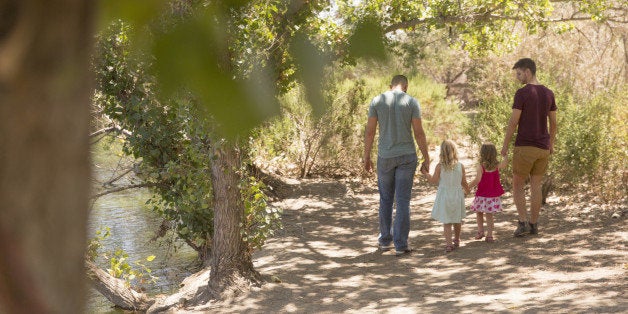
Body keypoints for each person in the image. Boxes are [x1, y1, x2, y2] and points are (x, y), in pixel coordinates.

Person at [363, 74, 430, 256]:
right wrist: (426, 157)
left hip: (385, 156)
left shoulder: (377, 101)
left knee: (385, 198)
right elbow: (419, 133)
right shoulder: (412, 102)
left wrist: (366, 156)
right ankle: (401, 244)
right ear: (406, 86)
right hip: (407, 156)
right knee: (402, 200)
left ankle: (385, 241)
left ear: (390, 85)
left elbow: (370, 132)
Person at [501, 58, 558, 237]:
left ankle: (523, 222)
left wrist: (504, 146)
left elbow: (513, 122)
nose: (518, 78)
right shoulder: (549, 93)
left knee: (517, 184)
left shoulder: (522, 93)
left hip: (525, 146)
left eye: (519, 73)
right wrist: (551, 144)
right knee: (536, 185)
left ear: (527, 71)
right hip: (543, 148)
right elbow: (554, 123)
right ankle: (534, 225)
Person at [422, 140, 470, 253]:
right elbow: (464, 182)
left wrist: (425, 173)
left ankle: (449, 244)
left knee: (447, 221)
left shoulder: (440, 167)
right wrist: (467, 191)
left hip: (445, 196)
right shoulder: (460, 166)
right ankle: (457, 239)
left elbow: (433, 180)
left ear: (442, 153)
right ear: (455, 151)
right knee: (457, 219)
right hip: (457, 195)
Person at [468, 143, 508, 243]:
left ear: (482, 153)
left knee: (479, 212)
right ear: (494, 153)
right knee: (489, 215)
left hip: (482, 194)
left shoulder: (481, 167)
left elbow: (477, 180)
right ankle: (489, 235)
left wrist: (467, 186)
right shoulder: (496, 165)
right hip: (492, 196)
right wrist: (505, 155)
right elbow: (505, 163)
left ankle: (480, 231)